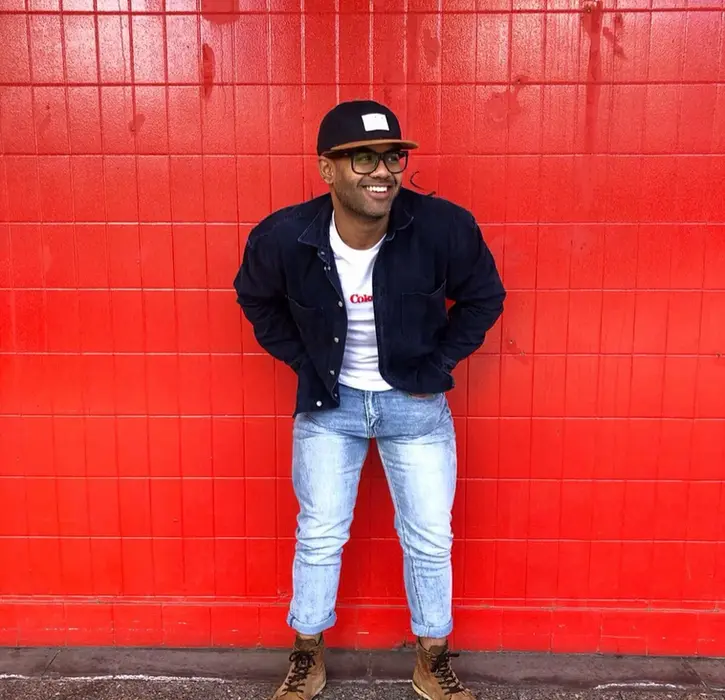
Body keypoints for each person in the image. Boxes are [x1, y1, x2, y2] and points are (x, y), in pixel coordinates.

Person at [234, 100, 506, 700]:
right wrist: (305, 362)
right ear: (327, 169)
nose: (382, 171)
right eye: (362, 158)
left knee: (430, 537)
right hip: (330, 407)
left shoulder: (443, 228)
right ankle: (307, 655)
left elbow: (485, 297)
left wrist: (436, 365)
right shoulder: (283, 238)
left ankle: (432, 660)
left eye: (391, 157)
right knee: (320, 534)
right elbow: (254, 298)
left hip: (415, 409)